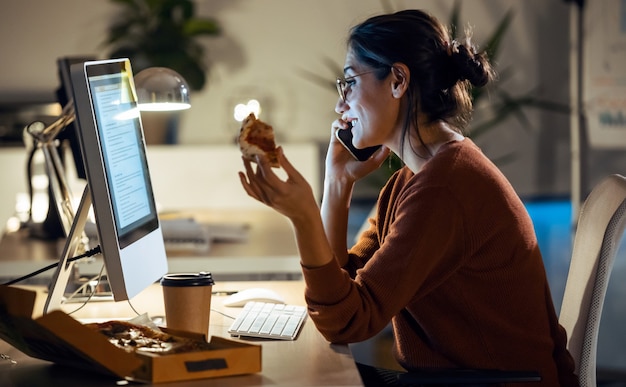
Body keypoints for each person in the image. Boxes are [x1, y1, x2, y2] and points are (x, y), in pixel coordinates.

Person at [239, 9, 578, 387]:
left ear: (398, 80)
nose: (340, 105)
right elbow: (346, 285)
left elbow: (347, 321)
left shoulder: (444, 189)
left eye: (350, 82)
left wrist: (304, 217)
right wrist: (337, 186)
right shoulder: (416, 178)